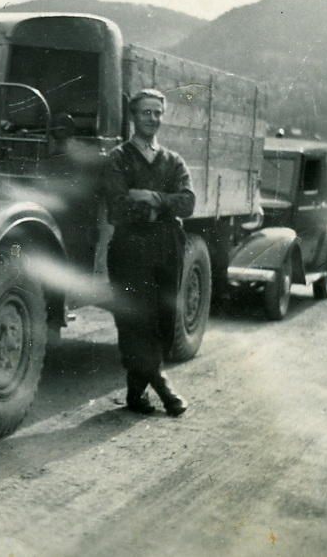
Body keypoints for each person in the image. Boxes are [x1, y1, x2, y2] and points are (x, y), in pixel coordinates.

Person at [103, 88, 196, 416]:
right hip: (130, 249)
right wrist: (164, 207)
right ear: (133, 116)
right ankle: (163, 386)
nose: (153, 119)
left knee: (161, 318)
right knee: (134, 320)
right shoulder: (119, 158)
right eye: (146, 112)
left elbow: (188, 202)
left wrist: (153, 199)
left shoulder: (173, 161)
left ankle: (135, 394)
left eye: (158, 112)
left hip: (167, 249)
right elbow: (117, 209)